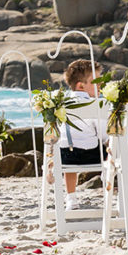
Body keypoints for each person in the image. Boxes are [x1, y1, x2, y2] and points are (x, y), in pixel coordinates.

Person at [46, 59, 107, 211]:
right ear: (81, 85)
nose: (100, 85)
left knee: (66, 147)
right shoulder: (96, 105)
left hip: (66, 156)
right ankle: (108, 178)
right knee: (110, 147)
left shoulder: (58, 103)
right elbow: (103, 134)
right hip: (93, 155)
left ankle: (71, 198)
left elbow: (54, 132)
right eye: (96, 81)